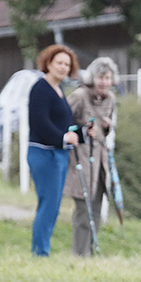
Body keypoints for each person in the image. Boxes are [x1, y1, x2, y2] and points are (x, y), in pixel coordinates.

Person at [27, 44, 82, 256]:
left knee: (53, 205)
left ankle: (42, 249)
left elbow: (64, 125)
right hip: (43, 153)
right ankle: (40, 252)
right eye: (59, 62)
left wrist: (83, 133)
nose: (63, 67)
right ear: (48, 63)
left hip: (58, 153)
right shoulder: (40, 88)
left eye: (67, 65)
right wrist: (62, 137)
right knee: (48, 205)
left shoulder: (59, 90)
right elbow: (40, 123)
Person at [65, 57, 118, 256]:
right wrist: (82, 131)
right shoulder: (79, 96)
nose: (104, 82)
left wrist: (106, 127)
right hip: (80, 160)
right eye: (100, 77)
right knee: (82, 209)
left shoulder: (111, 99)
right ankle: (79, 255)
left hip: (100, 162)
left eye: (107, 78)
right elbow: (63, 122)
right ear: (92, 78)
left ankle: (90, 252)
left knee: (95, 208)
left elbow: (105, 131)